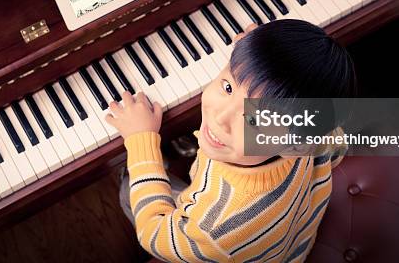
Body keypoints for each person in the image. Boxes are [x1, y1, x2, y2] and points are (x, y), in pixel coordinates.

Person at [107, 19, 356, 262]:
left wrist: (141, 140)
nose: (219, 118)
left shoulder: (216, 229)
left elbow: (153, 233)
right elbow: (336, 146)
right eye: (228, 87)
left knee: (128, 189)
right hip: (286, 238)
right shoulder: (312, 135)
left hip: (226, 246)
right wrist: (257, 63)